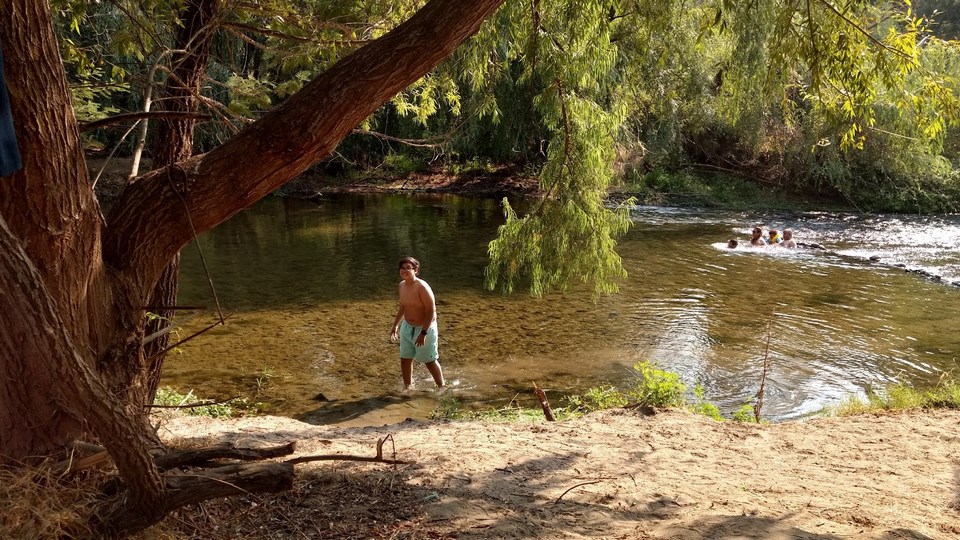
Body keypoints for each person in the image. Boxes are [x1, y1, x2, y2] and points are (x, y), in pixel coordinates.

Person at [389, 257, 444, 390]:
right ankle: (408, 387)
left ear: (416, 270)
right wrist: (395, 325)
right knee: (405, 359)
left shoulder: (422, 287)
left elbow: (431, 311)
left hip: (425, 328)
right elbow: (403, 306)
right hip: (407, 327)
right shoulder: (402, 285)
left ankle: (442, 387)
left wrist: (423, 333)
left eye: (408, 268)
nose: (404, 271)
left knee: (429, 361)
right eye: (402, 268)